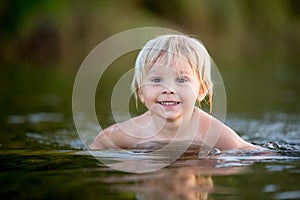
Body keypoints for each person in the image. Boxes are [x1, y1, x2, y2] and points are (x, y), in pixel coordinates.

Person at [89, 34, 260, 151]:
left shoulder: (212, 134)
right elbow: (99, 145)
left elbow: (250, 152)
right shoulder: (128, 135)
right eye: (156, 80)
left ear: (201, 91)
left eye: (181, 80)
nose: (169, 89)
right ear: (140, 92)